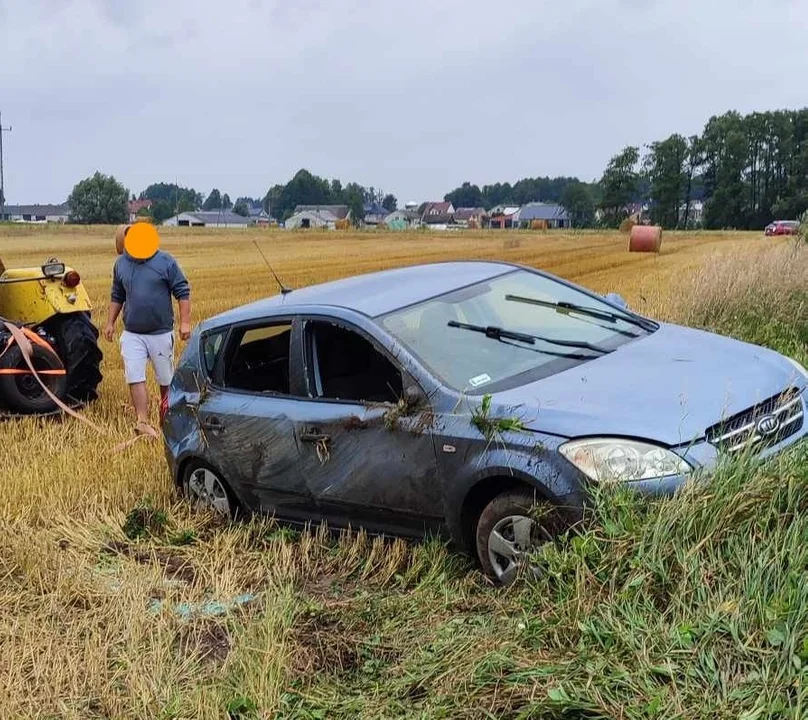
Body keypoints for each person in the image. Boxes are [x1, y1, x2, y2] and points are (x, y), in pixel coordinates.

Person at [104, 221, 191, 435]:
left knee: (165, 378)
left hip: (161, 333)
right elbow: (117, 295)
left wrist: (185, 322)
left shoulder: (166, 261)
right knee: (134, 375)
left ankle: (167, 417)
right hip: (132, 333)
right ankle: (142, 421)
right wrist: (110, 323)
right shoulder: (121, 264)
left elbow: (182, 291)